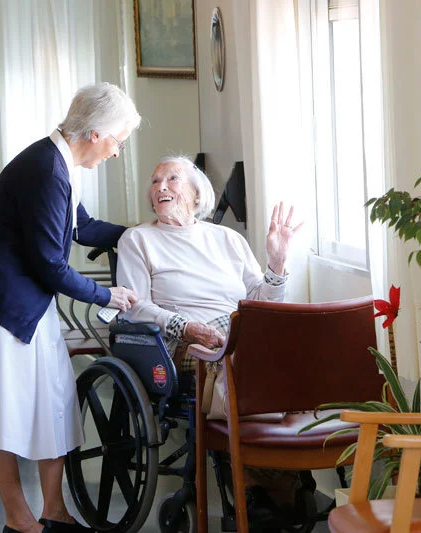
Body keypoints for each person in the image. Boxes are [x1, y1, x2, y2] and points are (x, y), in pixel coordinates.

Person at [0, 83, 140, 533]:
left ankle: (54, 511)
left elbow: (82, 226)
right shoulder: (48, 169)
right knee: (0, 410)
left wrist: (140, 233)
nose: (116, 152)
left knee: (54, 401)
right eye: (118, 141)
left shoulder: (58, 162)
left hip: (21, 296)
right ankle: (20, 520)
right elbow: (50, 266)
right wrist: (107, 295)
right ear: (95, 133)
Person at [116, 155, 304, 521]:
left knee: (285, 352)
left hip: (238, 332)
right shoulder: (138, 239)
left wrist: (277, 264)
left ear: (196, 192)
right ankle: (257, 484)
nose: (161, 187)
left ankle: (276, 477)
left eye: (172, 179)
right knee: (238, 364)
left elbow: (262, 303)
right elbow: (134, 307)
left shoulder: (227, 239)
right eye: (155, 182)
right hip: (181, 340)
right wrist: (184, 326)